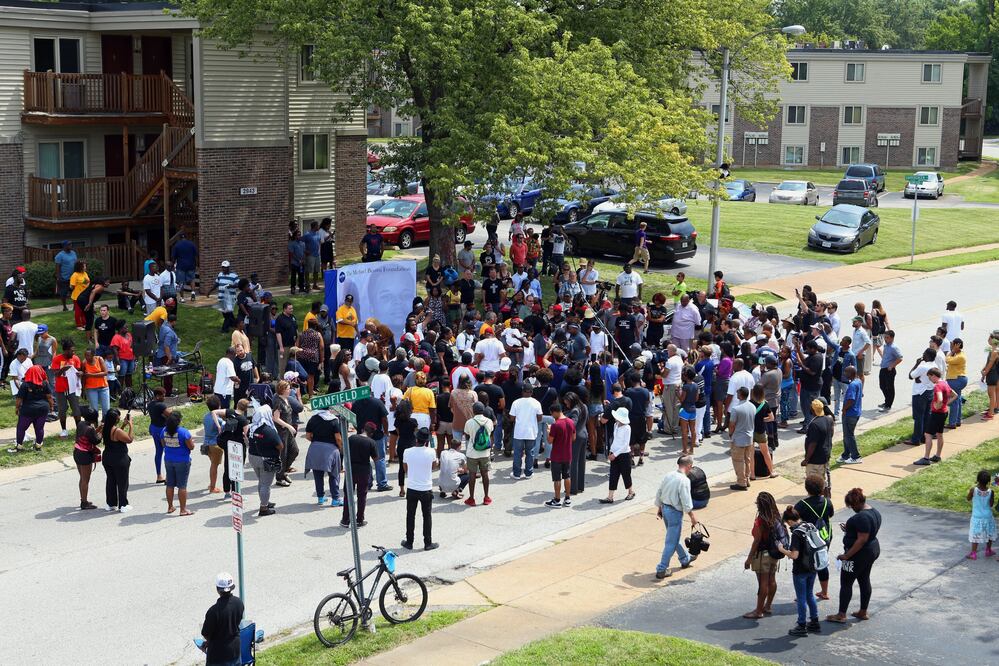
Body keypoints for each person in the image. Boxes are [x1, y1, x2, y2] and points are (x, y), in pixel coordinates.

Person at [827, 488, 881, 624]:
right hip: (872, 550)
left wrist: (846, 555)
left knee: (846, 582)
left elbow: (861, 539)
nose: (851, 509)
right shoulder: (874, 512)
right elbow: (865, 532)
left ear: (856, 503)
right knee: (864, 579)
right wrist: (850, 528)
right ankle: (863, 611)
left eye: (851, 506)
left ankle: (841, 614)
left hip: (858, 554)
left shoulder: (861, 517)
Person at [652, 455, 700, 578]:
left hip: (665, 508)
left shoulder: (669, 475)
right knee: (670, 542)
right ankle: (662, 568)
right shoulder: (684, 481)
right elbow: (686, 501)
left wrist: (659, 508)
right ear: (689, 466)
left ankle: (685, 559)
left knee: (673, 537)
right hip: (674, 512)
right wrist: (693, 517)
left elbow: (660, 492)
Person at [777, 506, 822, 637]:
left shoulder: (797, 533)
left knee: (801, 598)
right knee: (810, 595)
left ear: (790, 521)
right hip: (813, 567)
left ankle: (801, 625)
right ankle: (814, 622)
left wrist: (782, 549)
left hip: (800, 570)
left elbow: (794, 555)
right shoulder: (810, 526)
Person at [742, 491, 782, 619]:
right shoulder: (776, 516)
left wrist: (749, 558)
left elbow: (757, 540)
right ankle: (768, 606)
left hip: (762, 555)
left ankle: (758, 611)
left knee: (763, 583)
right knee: (772, 580)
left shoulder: (760, 520)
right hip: (774, 553)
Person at [795, 474, 835, 599]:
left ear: (807, 489)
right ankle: (824, 592)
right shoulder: (827, 502)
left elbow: (795, 520)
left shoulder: (801, 505)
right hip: (824, 537)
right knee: (821, 562)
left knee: (807, 565)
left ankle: (806, 593)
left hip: (808, 540)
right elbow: (831, 514)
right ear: (822, 488)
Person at [402, 427, 439, 551]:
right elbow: (434, 467)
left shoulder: (407, 451)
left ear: (416, 439)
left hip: (412, 487)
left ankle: (409, 541)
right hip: (426, 488)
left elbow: (405, 468)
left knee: (410, 515)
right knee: (427, 516)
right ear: (426, 440)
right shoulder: (431, 452)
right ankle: (428, 543)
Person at [914, 367, 957, 465]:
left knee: (928, 434)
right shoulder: (945, 383)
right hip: (944, 412)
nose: (930, 380)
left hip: (937, 414)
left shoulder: (937, 386)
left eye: (930, 377)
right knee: (939, 434)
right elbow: (955, 395)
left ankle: (926, 458)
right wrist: (945, 405)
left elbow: (940, 399)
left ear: (934, 376)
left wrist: (937, 406)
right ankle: (937, 456)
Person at [200, 572, 244, 666]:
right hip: (235, 651)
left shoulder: (213, 611)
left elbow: (205, 633)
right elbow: (237, 621)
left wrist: (208, 641)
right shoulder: (239, 603)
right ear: (232, 587)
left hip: (218, 657)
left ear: (217, 589)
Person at [341, 422, 380, 526]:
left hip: (351, 469)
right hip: (364, 470)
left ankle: (345, 520)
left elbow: (343, 450)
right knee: (362, 496)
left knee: (348, 494)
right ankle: (359, 520)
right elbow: (376, 458)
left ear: (363, 429)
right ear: (372, 433)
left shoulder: (352, 438)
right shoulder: (371, 442)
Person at [247, 404, 283, 516]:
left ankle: (265, 501)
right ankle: (264, 508)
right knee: (265, 484)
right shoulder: (268, 430)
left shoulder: (251, 428)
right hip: (266, 460)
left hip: (253, 458)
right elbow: (280, 445)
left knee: (262, 482)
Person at [9, 365, 52, 454]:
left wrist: (17, 408)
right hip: (42, 409)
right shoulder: (44, 383)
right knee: (39, 428)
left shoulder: (25, 384)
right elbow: (49, 397)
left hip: (28, 410)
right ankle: (38, 446)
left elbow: (19, 399)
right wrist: (51, 407)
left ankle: (19, 446)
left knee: (21, 428)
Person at [162, 411, 195, 516]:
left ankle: (170, 506)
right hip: (182, 461)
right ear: (179, 421)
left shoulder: (163, 431)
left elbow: (163, 444)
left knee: (170, 484)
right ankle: (183, 509)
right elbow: (191, 447)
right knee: (182, 486)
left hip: (168, 459)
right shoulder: (184, 432)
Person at [600, 407, 635, 504]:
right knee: (613, 475)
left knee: (626, 474)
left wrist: (614, 454)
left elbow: (625, 444)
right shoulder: (616, 425)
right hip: (615, 453)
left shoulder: (627, 428)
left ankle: (631, 491)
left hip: (624, 455)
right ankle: (610, 496)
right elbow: (615, 440)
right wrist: (611, 451)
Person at [101, 408, 133, 513]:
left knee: (111, 480)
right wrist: (130, 425)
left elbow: (117, 435)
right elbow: (129, 439)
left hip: (107, 457)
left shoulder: (104, 428)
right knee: (122, 482)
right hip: (119, 459)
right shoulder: (117, 431)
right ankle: (123, 504)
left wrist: (123, 425)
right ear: (115, 419)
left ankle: (111, 504)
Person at [544, 402, 575, 507]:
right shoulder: (571, 422)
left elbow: (549, 441)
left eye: (552, 414)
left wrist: (548, 431)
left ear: (555, 412)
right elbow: (574, 438)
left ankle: (557, 500)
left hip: (557, 455)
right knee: (567, 476)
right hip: (568, 454)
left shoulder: (555, 425)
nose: (552, 416)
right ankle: (567, 498)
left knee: (557, 478)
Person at [509, 383, 543, 480]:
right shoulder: (536, 403)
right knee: (530, 453)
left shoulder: (516, 402)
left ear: (522, 391)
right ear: (532, 392)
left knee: (517, 453)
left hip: (519, 432)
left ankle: (516, 474)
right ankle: (528, 473)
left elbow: (511, 418)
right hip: (531, 432)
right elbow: (540, 418)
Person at [463, 401, 493, 506]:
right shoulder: (489, 421)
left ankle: (471, 498)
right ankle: (486, 497)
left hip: (472, 453)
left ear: (473, 411)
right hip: (485, 453)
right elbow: (490, 434)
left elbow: (467, 436)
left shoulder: (469, 422)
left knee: (472, 474)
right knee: (485, 474)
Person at [51, 338, 82, 438]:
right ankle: (64, 430)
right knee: (62, 410)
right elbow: (55, 374)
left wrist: (80, 373)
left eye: (74, 350)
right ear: (66, 350)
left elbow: (78, 371)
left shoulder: (76, 359)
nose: (73, 352)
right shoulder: (57, 359)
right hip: (61, 389)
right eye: (71, 350)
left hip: (73, 388)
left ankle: (79, 429)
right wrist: (62, 369)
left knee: (76, 410)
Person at [73, 406, 102, 510]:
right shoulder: (89, 429)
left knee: (82, 478)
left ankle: (83, 499)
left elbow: (90, 435)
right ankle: (84, 503)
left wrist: (98, 429)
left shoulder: (81, 424)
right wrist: (101, 433)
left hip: (77, 452)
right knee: (86, 480)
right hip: (85, 455)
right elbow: (96, 440)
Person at [728, 387, 755, 490]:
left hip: (739, 439)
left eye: (738, 392)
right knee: (747, 460)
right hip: (749, 439)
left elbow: (732, 424)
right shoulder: (752, 406)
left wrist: (730, 434)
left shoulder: (736, 409)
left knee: (738, 461)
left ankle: (741, 482)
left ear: (740, 395)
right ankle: (746, 479)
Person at [967, 470, 997, 560]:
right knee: (989, 532)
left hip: (977, 516)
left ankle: (973, 553)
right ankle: (988, 550)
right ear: (988, 481)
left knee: (975, 534)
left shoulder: (974, 490)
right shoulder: (991, 491)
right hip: (988, 516)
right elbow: (991, 504)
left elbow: (968, 498)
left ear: (977, 479)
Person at [838, 366, 862, 464]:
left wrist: (844, 409)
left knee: (849, 436)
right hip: (855, 412)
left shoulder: (852, 385)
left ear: (851, 373)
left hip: (850, 414)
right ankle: (846, 454)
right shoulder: (858, 381)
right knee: (847, 435)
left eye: (846, 372)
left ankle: (856, 456)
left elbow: (851, 400)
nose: (844, 373)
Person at [81, 347, 110, 417]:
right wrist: (83, 389)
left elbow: (105, 373)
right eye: (85, 355)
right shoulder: (84, 363)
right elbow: (83, 377)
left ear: (93, 355)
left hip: (103, 387)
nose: (86, 357)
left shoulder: (99, 359)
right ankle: (95, 426)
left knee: (106, 409)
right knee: (94, 410)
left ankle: (105, 425)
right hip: (91, 388)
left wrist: (91, 375)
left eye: (88, 355)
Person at [878, 330, 902, 412]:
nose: (885, 339)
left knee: (889, 388)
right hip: (883, 368)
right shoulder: (886, 345)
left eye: (887, 337)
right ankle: (887, 401)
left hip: (889, 370)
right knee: (882, 386)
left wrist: (892, 366)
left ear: (892, 338)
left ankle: (888, 405)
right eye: (885, 337)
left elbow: (900, 358)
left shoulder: (894, 347)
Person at [945, 338, 967, 428]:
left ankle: (952, 423)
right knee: (957, 400)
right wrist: (954, 351)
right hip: (957, 379)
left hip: (956, 380)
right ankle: (957, 421)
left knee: (954, 401)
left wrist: (952, 351)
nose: (950, 346)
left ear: (957, 345)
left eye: (952, 344)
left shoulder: (960, 356)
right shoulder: (958, 354)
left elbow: (947, 360)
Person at [678, 367, 699, 456]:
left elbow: (682, 399)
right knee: (693, 430)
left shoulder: (685, 386)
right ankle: (691, 450)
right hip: (693, 409)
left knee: (684, 432)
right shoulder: (696, 385)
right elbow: (696, 398)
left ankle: (684, 450)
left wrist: (677, 392)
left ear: (686, 376)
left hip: (685, 410)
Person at [53, 241, 77, 311]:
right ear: (64, 246)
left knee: (74, 292)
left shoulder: (73, 253)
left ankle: (75, 307)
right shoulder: (59, 255)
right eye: (69, 245)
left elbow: (75, 263)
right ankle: (64, 307)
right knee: (64, 293)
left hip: (74, 277)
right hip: (64, 277)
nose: (71, 246)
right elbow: (57, 267)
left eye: (71, 244)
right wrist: (59, 277)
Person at [69, 260, 90, 329]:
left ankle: (84, 323)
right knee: (78, 311)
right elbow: (72, 286)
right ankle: (78, 325)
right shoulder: (75, 275)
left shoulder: (84, 273)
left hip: (84, 296)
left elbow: (87, 282)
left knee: (84, 310)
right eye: (84, 266)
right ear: (79, 267)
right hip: (77, 297)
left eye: (85, 266)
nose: (85, 267)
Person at [287, 229, 307, 294]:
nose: (299, 236)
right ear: (295, 236)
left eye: (300, 235)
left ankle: (301, 288)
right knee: (293, 276)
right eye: (298, 235)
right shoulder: (292, 243)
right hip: (294, 263)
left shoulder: (303, 243)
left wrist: (303, 260)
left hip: (301, 263)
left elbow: (304, 252)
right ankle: (293, 288)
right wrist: (299, 260)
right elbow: (292, 254)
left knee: (301, 275)